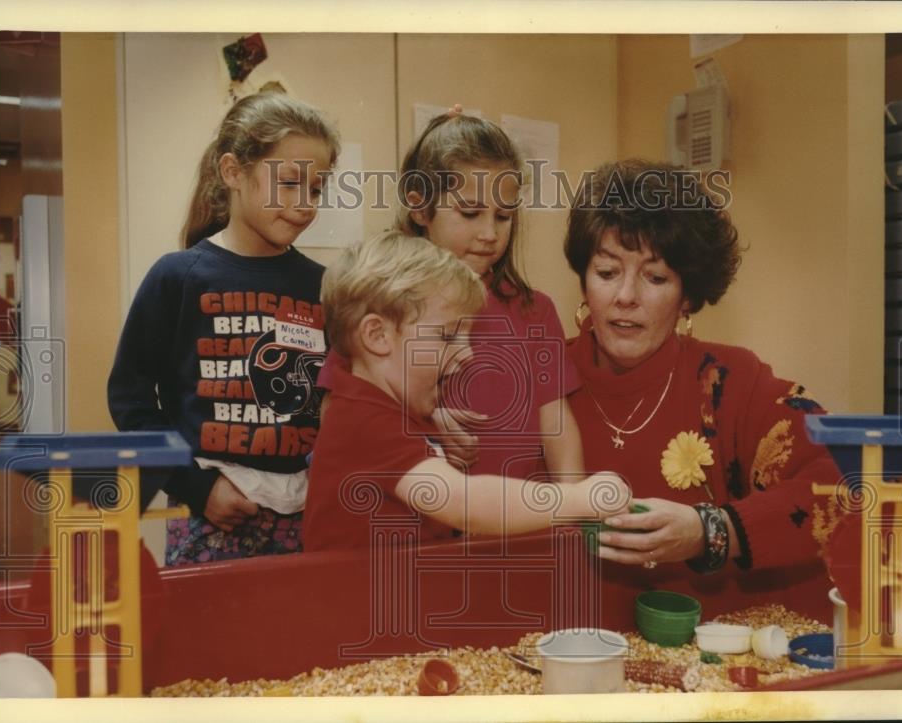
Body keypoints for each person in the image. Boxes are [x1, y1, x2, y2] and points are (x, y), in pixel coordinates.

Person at [563, 159, 843, 617]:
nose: (625, 297)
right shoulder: (539, 379)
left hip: (715, 656)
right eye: (607, 272)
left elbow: (845, 483)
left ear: (688, 295)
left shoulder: (732, 381)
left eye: (655, 278)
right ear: (583, 281)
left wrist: (711, 530)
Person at [108, 91, 340, 565]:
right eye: (289, 183)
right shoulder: (178, 276)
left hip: (305, 514)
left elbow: (337, 399)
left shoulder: (323, 285)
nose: (305, 205)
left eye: (316, 189)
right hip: (208, 517)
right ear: (234, 172)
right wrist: (194, 485)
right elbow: (130, 400)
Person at [303, 231, 628, 552]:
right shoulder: (364, 419)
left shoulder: (393, 414)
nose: (467, 354)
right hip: (351, 598)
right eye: (447, 338)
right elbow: (463, 502)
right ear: (377, 335)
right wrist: (577, 499)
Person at [394, 112, 586, 481]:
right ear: (420, 208)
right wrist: (424, 417)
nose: (489, 233)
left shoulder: (535, 311)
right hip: (425, 526)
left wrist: (577, 512)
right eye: (470, 213)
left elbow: (556, 424)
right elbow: (344, 408)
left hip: (521, 523)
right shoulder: (384, 302)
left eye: (503, 216)